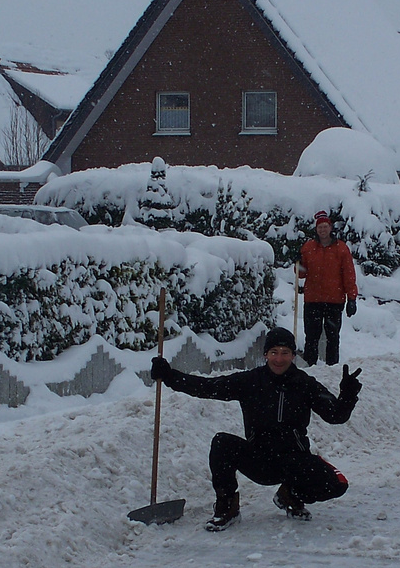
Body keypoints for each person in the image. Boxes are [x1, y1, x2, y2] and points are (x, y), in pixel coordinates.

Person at [150, 327, 362, 531]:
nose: (279, 359)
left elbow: (336, 416)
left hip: (294, 461)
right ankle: (227, 507)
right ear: (266, 354)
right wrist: (169, 376)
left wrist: (347, 396)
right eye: (274, 353)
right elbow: (208, 387)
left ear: (293, 356)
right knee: (222, 442)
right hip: (259, 459)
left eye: (285, 353)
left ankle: (290, 495)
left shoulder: (305, 384)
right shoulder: (250, 381)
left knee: (337, 484)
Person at [297, 210, 358, 367]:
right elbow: (301, 274)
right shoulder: (308, 247)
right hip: (313, 300)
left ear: (330, 228)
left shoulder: (341, 249)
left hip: (334, 301)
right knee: (311, 337)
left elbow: (349, 275)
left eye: (325, 227)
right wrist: (298, 263)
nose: (322, 230)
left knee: (333, 337)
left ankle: (333, 369)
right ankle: (309, 368)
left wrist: (352, 298)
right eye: (320, 227)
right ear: (316, 229)